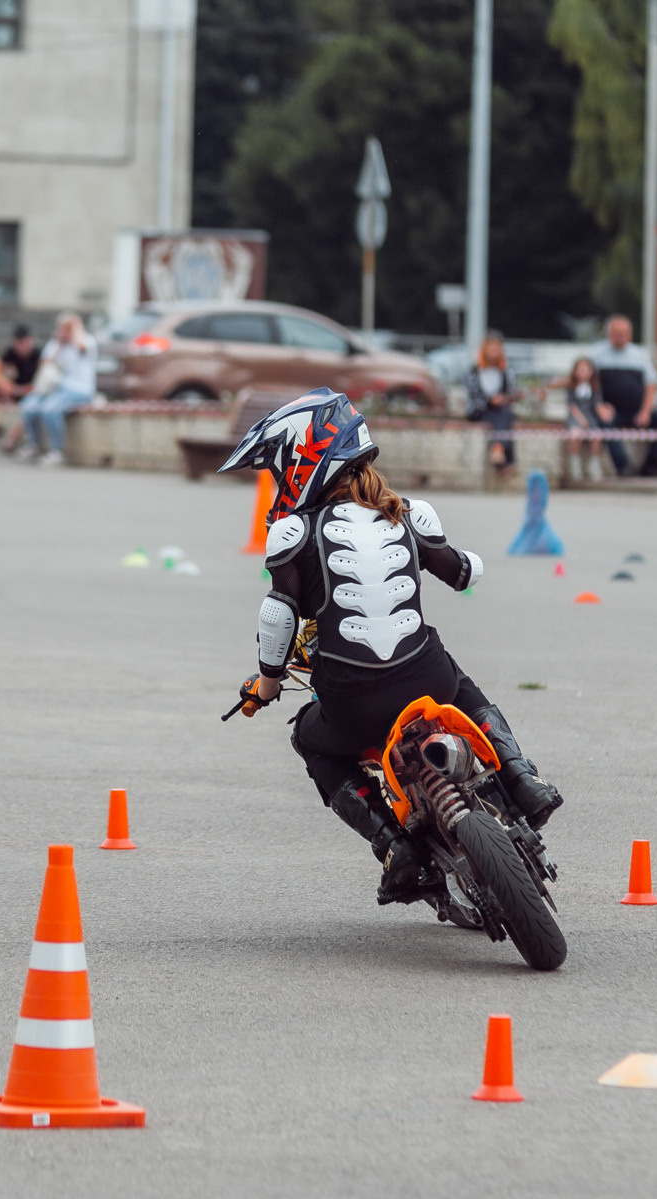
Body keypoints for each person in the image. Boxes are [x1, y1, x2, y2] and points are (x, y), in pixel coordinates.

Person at [220, 389, 561, 907]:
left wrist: (266, 687)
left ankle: (394, 847)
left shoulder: (293, 531)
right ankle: (522, 778)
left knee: (310, 742)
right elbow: (464, 574)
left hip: (352, 706)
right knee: (463, 686)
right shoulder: (407, 514)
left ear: (303, 460)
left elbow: (278, 613)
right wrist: (462, 559)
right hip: (428, 680)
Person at [17, 313, 96, 466]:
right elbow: (45, 362)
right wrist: (59, 345)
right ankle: (33, 445)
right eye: (62, 328)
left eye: (67, 328)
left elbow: (82, 348)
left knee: (50, 409)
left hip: (79, 388)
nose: (63, 331)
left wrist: (75, 333)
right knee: (29, 406)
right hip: (56, 387)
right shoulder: (57, 343)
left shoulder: (87, 340)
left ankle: (57, 451)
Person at [587, 315, 653, 475]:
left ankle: (653, 465)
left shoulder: (640, 355)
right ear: (609, 334)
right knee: (606, 423)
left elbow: (651, 385)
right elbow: (588, 382)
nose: (620, 337)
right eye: (616, 333)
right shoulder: (596, 355)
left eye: (623, 333)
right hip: (611, 411)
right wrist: (598, 405)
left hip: (636, 411)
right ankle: (623, 466)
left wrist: (645, 411)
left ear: (630, 334)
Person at [462, 334, 517, 472]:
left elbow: (511, 394)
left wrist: (503, 399)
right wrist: (490, 401)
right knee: (499, 415)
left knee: (503, 413)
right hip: (479, 410)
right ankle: (506, 458)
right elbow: (474, 396)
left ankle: (498, 450)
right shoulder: (474, 372)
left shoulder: (506, 372)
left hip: (500, 410)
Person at [0, 323, 44, 450]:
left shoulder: (38, 355)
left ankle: (11, 439)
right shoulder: (11, 352)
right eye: (18, 343)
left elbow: (42, 384)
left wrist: (22, 390)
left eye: (24, 343)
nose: (21, 347)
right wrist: (5, 384)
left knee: (31, 405)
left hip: (31, 392)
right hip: (14, 391)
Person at [560, 354, 610, 482]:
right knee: (575, 435)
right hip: (576, 418)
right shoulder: (571, 387)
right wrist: (581, 420)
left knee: (596, 435)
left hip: (590, 417)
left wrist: (604, 412)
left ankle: (594, 464)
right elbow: (572, 406)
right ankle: (575, 465)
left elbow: (598, 404)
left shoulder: (594, 388)